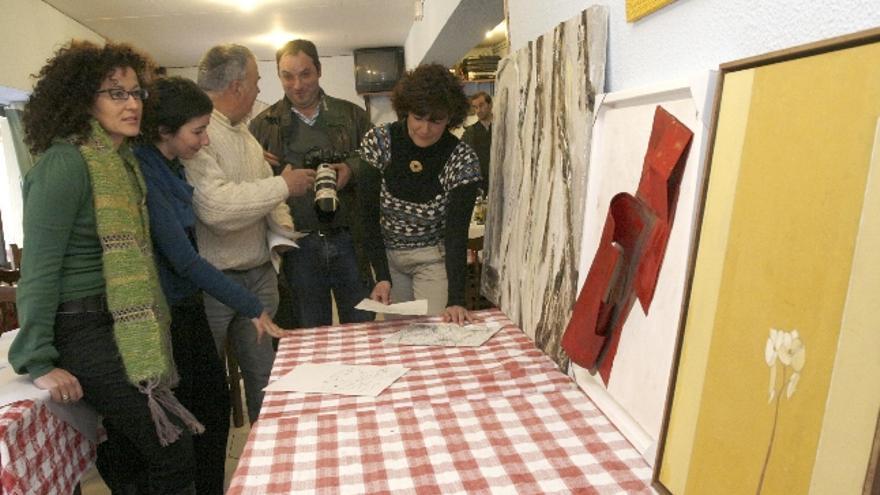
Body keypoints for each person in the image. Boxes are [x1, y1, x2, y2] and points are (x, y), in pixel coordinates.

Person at [9, 40, 201, 494]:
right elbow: (37, 270)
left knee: (128, 454)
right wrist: (36, 359)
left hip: (117, 322)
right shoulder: (65, 165)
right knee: (171, 449)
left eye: (136, 93)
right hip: (84, 329)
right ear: (82, 99)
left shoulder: (120, 163)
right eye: (116, 93)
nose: (132, 104)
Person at [135, 76, 284, 494]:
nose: (204, 141)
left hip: (188, 304)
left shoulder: (167, 163)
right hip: (172, 312)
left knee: (215, 409)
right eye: (198, 131)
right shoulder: (146, 170)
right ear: (165, 131)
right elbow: (183, 259)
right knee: (204, 416)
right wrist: (251, 304)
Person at [183, 44, 310, 423]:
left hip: (258, 274)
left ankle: (268, 463)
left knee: (265, 380)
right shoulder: (199, 135)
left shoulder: (244, 134)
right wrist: (284, 188)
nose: (259, 92)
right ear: (237, 86)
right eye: (255, 82)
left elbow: (265, 189)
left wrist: (283, 226)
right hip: (216, 282)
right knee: (207, 385)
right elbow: (217, 209)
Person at [249, 39, 374, 328]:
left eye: (305, 74)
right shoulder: (261, 127)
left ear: (319, 71)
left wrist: (351, 169)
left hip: (350, 240)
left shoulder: (353, 115)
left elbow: (379, 163)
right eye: (287, 76)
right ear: (279, 76)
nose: (297, 85)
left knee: (362, 329)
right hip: (297, 246)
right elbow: (250, 188)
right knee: (309, 333)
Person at [359, 64, 483, 325]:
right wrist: (381, 275)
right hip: (389, 258)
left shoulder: (462, 160)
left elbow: (456, 234)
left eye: (436, 121)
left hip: (434, 260)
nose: (425, 129)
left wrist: (456, 299)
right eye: (418, 117)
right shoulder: (379, 142)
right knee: (399, 334)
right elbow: (365, 216)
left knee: (437, 331)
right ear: (406, 110)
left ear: (450, 118)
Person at [461, 91, 493, 193]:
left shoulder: (501, 127)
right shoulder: (470, 132)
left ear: (490, 105)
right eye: (475, 107)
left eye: (481, 105)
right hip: (481, 186)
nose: (478, 110)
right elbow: (464, 160)